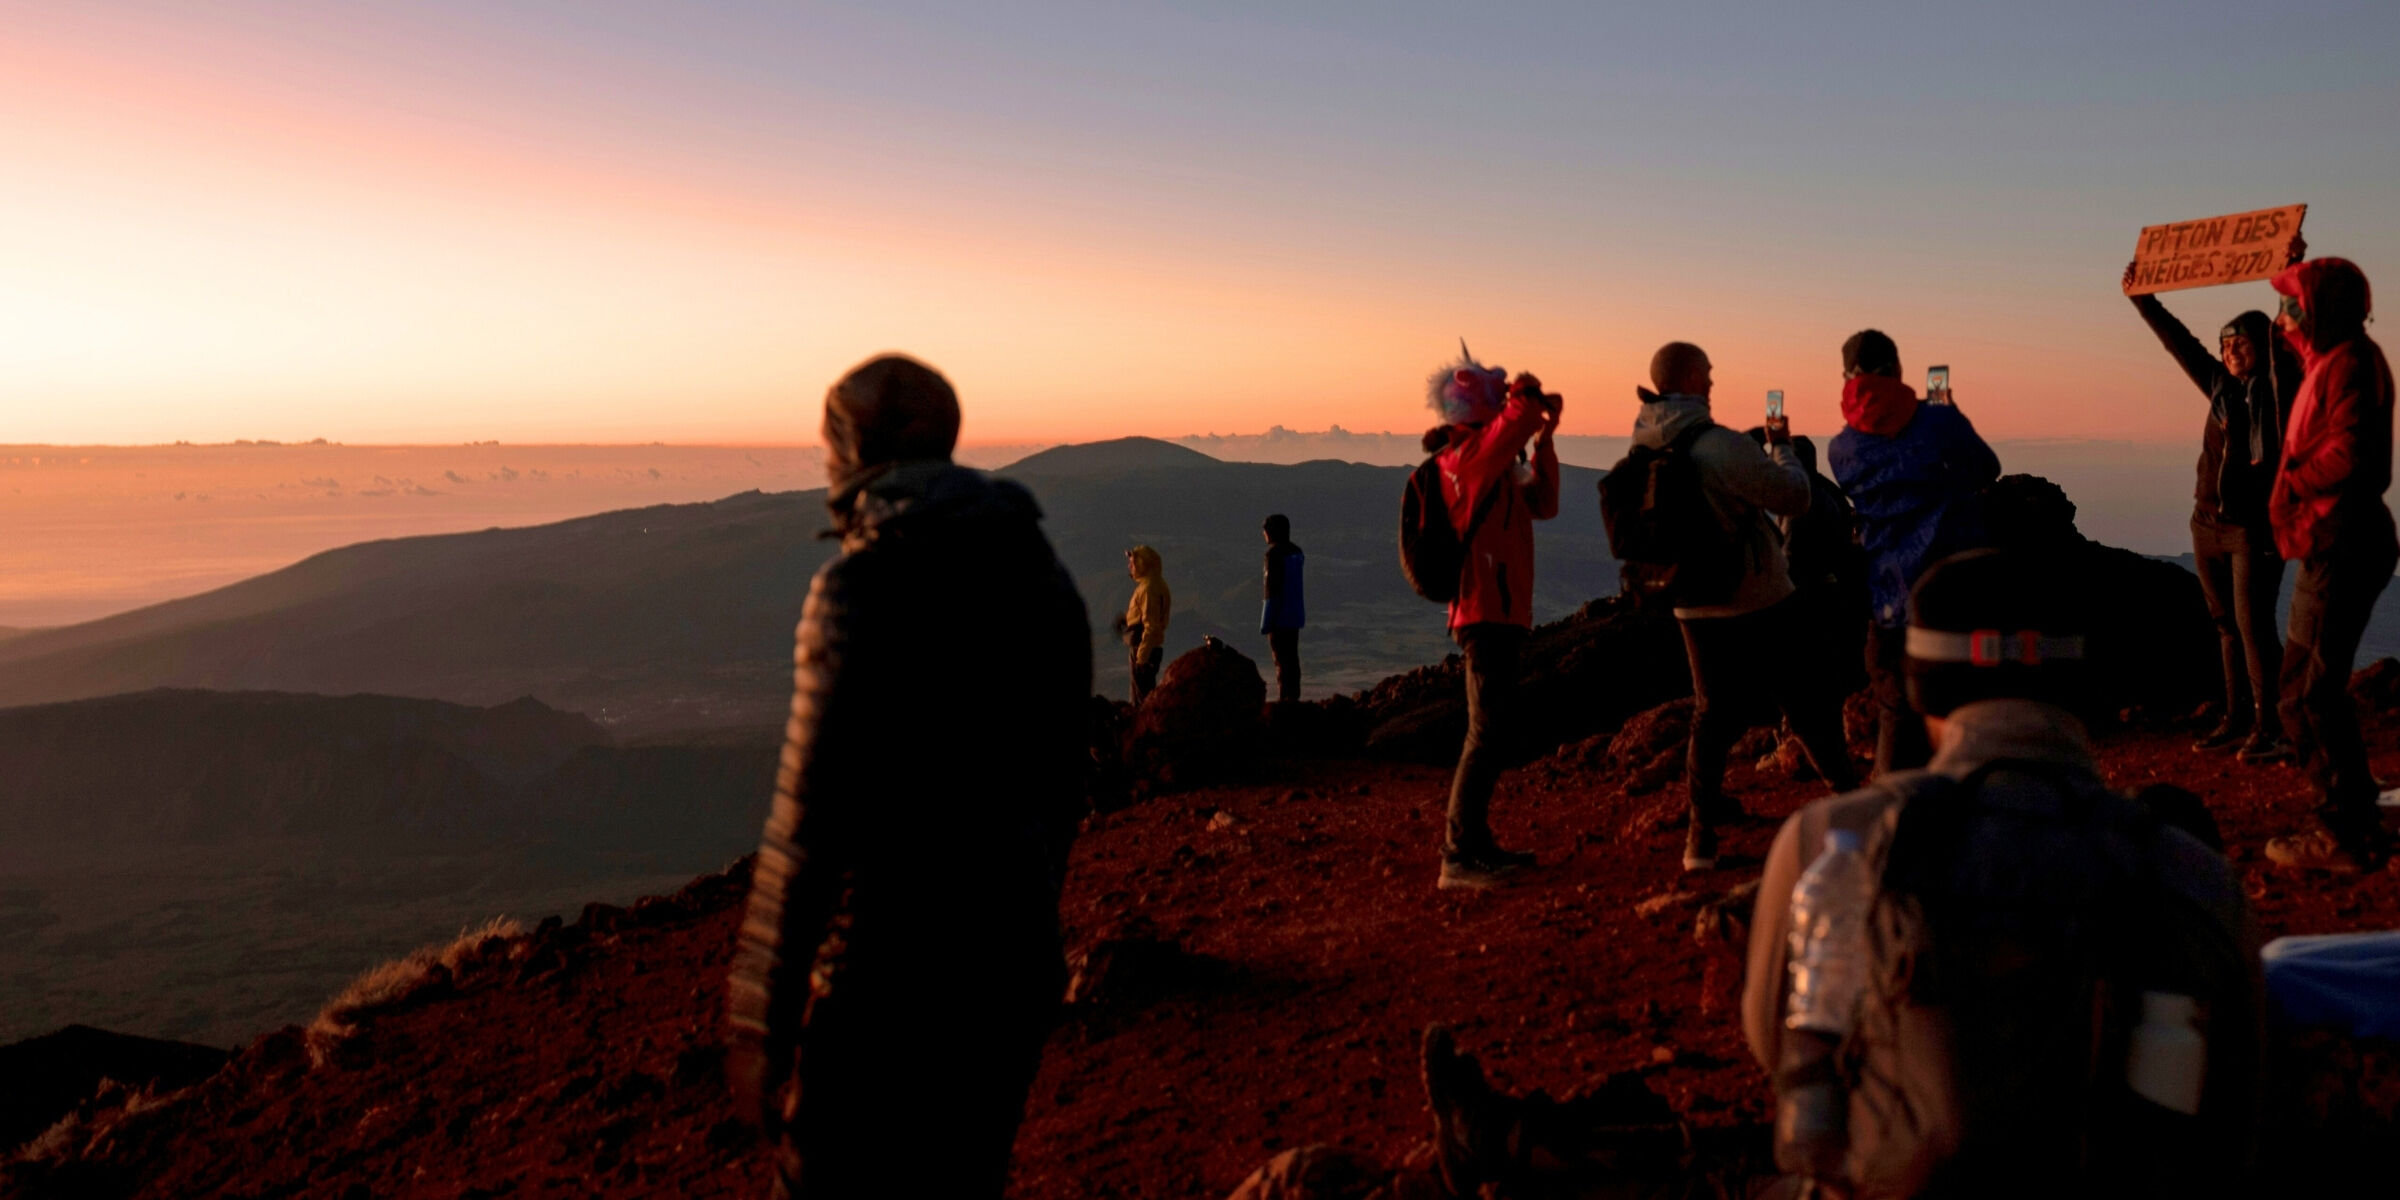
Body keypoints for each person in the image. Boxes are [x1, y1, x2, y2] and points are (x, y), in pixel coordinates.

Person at [1741, 548, 2262, 1198]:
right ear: (2086, 682)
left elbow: (1777, 1040)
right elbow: (2235, 1105)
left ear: (1920, 684)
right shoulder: (2192, 873)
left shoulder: (1830, 843)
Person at [726, 354, 1092, 1200]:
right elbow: (1061, 791)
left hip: (886, 978)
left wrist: (762, 1022)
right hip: (1014, 968)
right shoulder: (1044, 574)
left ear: (857, 449)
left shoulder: (857, 587)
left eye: (830, 442)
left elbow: (807, 828)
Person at [1637, 342, 1860, 874]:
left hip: (1690, 600)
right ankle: (1852, 803)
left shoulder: (1646, 443)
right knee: (1807, 699)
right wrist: (1780, 448)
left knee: (1710, 714)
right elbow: (1793, 498)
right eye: (1708, 373)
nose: (1713, 381)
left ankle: (1700, 840)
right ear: (1692, 378)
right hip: (1758, 596)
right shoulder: (1720, 445)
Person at [2125, 264, 2302, 760]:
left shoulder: (2281, 388)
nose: (2230, 351)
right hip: (2206, 524)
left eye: (2241, 343)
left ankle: (2273, 727)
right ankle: (2237, 719)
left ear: (2263, 345)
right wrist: (2143, 298)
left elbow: (2293, 328)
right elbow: (2178, 343)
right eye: (2226, 345)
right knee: (2225, 626)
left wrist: (2291, 269)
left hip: (2254, 529)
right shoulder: (2220, 387)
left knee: (2254, 628)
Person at [2262, 257, 2397, 874]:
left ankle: (2343, 831)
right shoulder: (2334, 358)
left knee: (2307, 694)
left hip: (2339, 537)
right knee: (2304, 681)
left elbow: (2351, 451)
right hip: (2330, 538)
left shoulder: (2348, 364)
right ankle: (2355, 806)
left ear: (2321, 310)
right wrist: (2290, 262)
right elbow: (2291, 344)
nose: (2284, 318)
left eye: (2293, 306)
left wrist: (2292, 480)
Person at [1828, 330, 2001, 776]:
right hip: (1954, 591)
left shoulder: (1841, 448)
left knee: (1897, 717)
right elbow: (1987, 468)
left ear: (1847, 380)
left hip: (1890, 600)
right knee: (1965, 714)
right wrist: (1948, 413)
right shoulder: (1938, 422)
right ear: (1897, 370)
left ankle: (1893, 810)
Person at [1423, 344, 1560, 889]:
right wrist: (1525, 393)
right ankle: (1458, 856)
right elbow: (1515, 421)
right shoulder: (1466, 461)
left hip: (1501, 611)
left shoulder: (1492, 466)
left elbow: (1544, 503)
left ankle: (1475, 844)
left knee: (1494, 730)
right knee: (1486, 732)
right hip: (1483, 611)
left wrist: (1545, 440)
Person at [1260, 513, 1306, 703]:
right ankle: (1293, 697)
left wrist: (1266, 621)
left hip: (1279, 617)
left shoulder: (1273, 555)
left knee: (1281, 660)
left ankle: (1285, 700)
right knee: (1292, 659)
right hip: (1294, 615)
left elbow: (1271, 590)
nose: (1264, 534)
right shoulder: (1296, 552)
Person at [1119, 544, 1171, 704]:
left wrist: (1142, 657)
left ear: (1142, 564)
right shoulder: (1156, 585)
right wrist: (1127, 620)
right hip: (1148, 648)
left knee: (1142, 701)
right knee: (1142, 697)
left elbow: (1151, 625)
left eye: (1133, 563)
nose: (1130, 566)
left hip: (1143, 649)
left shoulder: (1148, 589)